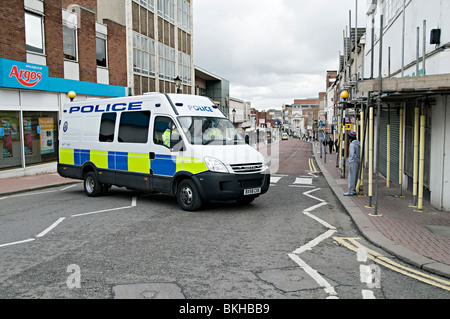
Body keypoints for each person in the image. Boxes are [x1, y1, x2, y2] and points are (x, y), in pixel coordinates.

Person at [344, 131, 360, 196]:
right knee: (355, 176)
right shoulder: (358, 143)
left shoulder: (352, 144)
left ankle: (350, 191)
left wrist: (352, 160)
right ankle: (354, 189)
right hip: (357, 162)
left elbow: (353, 154)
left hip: (353, 161)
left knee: (351, 177)